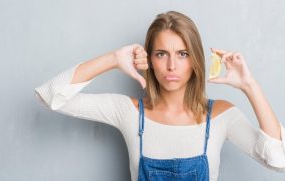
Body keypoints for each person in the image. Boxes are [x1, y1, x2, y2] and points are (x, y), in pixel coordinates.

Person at [34, 11, 285, 181]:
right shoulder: (129, 112)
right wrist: (113, 59)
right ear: (150, 60)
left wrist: (249, 86)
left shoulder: (220, 116)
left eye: (183, 54)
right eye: (161, 54)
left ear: (195, 60)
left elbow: (277, 160)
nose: (172, 66)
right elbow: (50, 96)